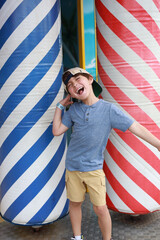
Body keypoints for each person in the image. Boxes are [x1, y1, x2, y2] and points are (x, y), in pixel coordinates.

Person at [52, 67, 160, 240]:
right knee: (75, 203)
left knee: (100, 208)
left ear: (89, 79)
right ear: (71, 93)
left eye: (78, 79)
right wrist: (60, 106)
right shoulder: (73, 111)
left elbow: (136, 127)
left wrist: (158, 144)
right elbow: (57, 131)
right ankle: (77, 237)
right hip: (72, 168)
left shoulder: (109, 110)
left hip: (94, 169)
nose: (74, 85)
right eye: (70, 85)